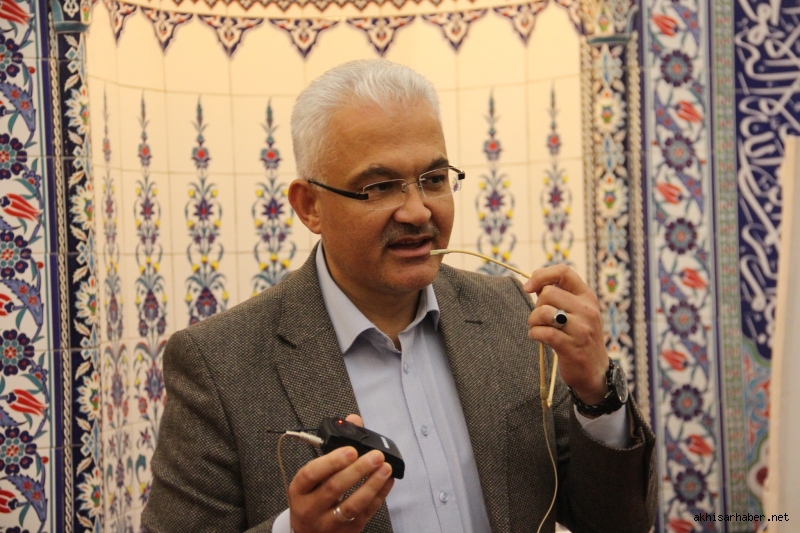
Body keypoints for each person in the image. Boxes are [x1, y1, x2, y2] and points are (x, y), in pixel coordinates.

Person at [142, 59, 656, 533]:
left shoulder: (512, 314)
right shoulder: (218, 365)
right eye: (380, 187)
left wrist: (597, 393)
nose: (417, 211)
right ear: (309, 206)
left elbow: (618, 522)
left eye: (433, 179)